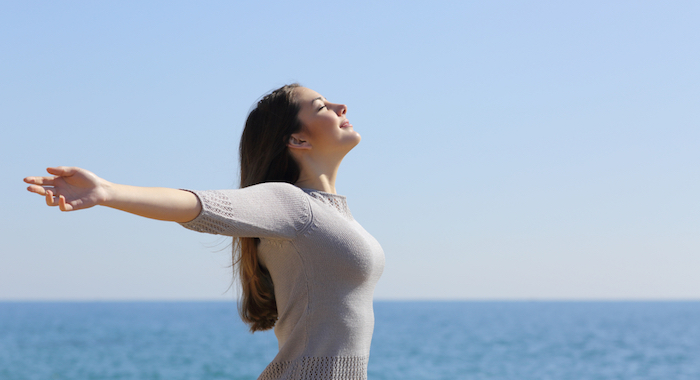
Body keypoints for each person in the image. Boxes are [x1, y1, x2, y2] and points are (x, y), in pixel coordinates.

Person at [23, 84, 385, 380]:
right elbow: (200, 205)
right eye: (322, 106)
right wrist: (107, 191)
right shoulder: (292, 203)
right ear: (298, 140)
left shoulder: (331, 214)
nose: (341, 106)